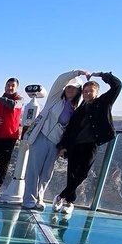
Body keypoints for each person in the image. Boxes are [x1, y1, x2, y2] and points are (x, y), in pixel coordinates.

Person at [54, 71, 122, 218]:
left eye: (91, 91)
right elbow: (70, 130)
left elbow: (117, 85)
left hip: (91, 146)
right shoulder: (79, 110)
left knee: (82, 174)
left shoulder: (104, 103)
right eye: (85, 91)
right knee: (71, 175)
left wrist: (101, 75)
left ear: (96, 92)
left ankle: (61, 196)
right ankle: (69, 202)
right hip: (74, 146)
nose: (87, 94)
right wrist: (62, 146)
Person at [21, 70, 87, 210]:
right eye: (68, 87)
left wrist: (63, 147)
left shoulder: (77, 108)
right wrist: (77, 72)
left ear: (78, 91)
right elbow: (59, 80)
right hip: (41, 137)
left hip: (57, 144)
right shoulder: (55, 99)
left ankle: (39, 198)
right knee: (34, 170)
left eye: (73, 88)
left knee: (46, 173)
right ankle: (29, 200)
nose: (70, 90)